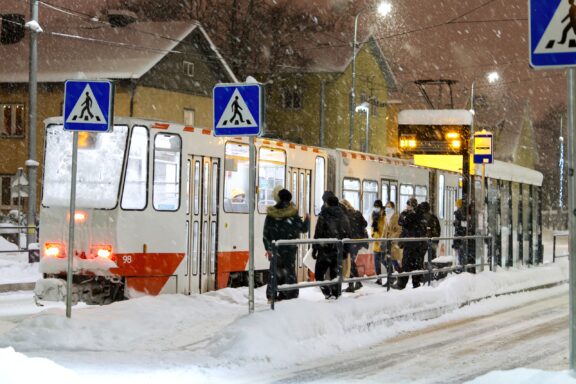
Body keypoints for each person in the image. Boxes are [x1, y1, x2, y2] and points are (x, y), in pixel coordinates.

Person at [263, 188, 310, 302]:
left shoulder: (271, 214)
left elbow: (265, 234)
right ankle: (289, 294)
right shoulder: (292, 214)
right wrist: (307, 219)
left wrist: (268, 248)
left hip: (276, 249)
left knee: (274, 271)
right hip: (289, 250)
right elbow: (303, 229)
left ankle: (272, 294)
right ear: (290, 199)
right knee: (288, 271)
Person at [313, 193, 351, 299]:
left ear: (327, 204)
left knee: (319, 275)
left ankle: (327, 292)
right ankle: (336, 295)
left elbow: (318, 234)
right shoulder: (344, 216)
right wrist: (346, 251)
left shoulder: (323, 215)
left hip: (325, 250)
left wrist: (314, 249)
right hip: (338, 251)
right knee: (335, 275)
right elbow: (348, 235)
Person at [394, 197, 425, 290]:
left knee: (407, 264)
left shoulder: (414, 215)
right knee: (415, 264)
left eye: (408, 205)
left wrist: (403, 214)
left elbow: (403, 222)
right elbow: (401, 222)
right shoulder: (417, 214)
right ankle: (415, 284)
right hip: (415, 244)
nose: (407, 207)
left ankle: (402, 284)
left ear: (412, 206)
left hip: (412, 244)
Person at [340, 199, 368, 292]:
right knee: (351, 262)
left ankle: (354, 283)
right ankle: (354, 283)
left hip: (351, 241)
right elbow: (365, 224)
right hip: (358, 241)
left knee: (350, 262)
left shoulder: (345, 214)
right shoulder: (357, 213)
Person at [382, 201, 402, 277]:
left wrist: (392, 238)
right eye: (386, 206)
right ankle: (391, 277)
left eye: (389, 207)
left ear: (393, 208)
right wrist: (382, 240)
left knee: (393, 259)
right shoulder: (386, 216)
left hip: (393, 242)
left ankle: (398, 274)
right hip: (387, 242)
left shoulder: (396, 217)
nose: (387, 208)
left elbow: (399, 229)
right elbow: (384, 229)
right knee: (387, 259)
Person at [370, 200, 386, 285]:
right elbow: (372, 227)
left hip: (382, 241)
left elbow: (385, 227)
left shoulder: (384, 215)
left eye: (377, 206)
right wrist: (373, 234)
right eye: (375, 206)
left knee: (384, 260)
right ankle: (379, 279)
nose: (376, 208)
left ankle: (391, 276)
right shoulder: (373, 215)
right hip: (376, 241)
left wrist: (381, 238)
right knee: (376, 262)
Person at [453, 199, 467, 268]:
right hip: (461, 234)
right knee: (461, 251)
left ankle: (460, 265)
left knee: (460, 251)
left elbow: (459, 225)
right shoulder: (463, 212)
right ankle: (461, 264)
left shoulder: (459, 213)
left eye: (457, 204)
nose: (456, 205)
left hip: (459, 234)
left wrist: (456, 223)